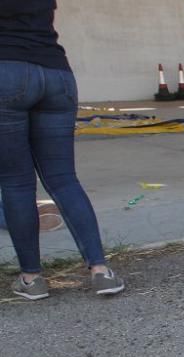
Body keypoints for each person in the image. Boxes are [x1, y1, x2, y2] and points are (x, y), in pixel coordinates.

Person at [0, 0, 125, 301]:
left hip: (7, 72)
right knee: (64, 178)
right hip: (56, 74)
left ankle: (32, 278)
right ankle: (100, 271)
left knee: (17, 184)